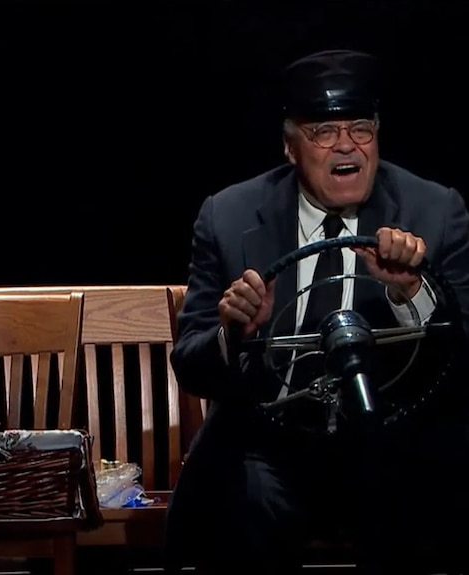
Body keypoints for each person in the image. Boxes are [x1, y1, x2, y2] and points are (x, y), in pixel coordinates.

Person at [163, 50, 469, 573]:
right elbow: (191, 364)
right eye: (324, 131)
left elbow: (462, 357)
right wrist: (233, 330)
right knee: (243, 496)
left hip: (390, 436)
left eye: (360, 129)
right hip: (270, 443)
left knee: (424, 491)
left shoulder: (435, 211)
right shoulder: (229, 215)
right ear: (290, 147)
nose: (346, 144)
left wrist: (411, 293)